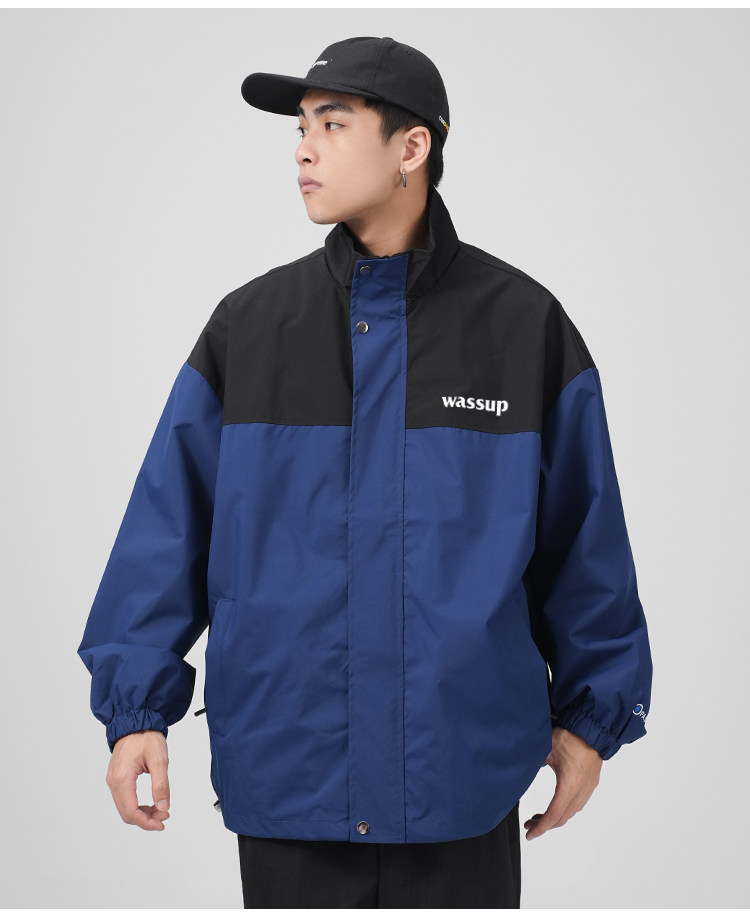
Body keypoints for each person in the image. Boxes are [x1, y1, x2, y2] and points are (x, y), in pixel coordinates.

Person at [77, 35, 653, 909]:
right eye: (301, 127)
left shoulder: (522, 327)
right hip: (291, 771)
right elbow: (166, 528)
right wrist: (135, 712)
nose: (303, 150)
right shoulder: (250, 327)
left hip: (458, 778)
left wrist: (591, 722)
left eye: (333, 124)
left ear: (411, 147)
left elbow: (586, 541)